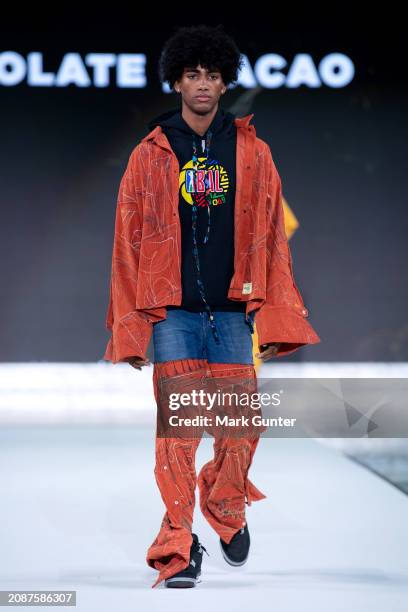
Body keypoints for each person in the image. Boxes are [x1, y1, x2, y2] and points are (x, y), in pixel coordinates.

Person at [103, 24, 320, 589]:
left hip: (231, 311)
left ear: (226, 84)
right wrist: (129, 328)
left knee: (240, 429)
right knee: (177, 435)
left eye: (212, 75)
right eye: (192, 74)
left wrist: (274, 316)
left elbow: (273, 240)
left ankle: (224, 504)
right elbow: (126, 243)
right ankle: (178, 544)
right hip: (173, 311)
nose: (203, 84)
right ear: (176, 81)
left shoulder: (253, 151)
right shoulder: (150, 152)